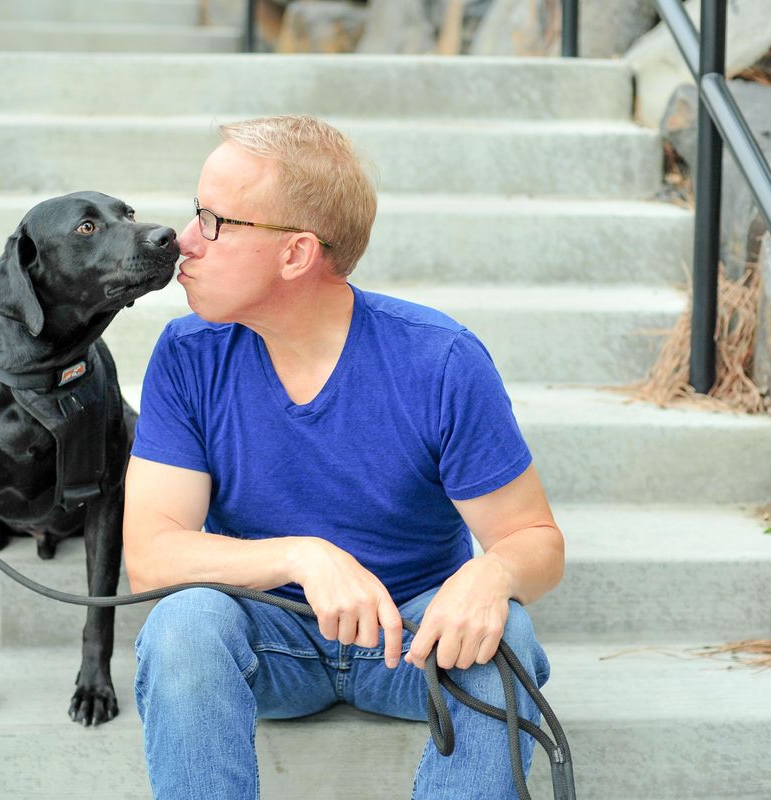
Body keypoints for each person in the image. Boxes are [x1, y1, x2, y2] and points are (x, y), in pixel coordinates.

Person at [122, 114, 565, 799]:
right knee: (183, 627)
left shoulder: (438, 361)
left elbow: (535, 540)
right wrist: (301, 555)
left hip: (409, 641)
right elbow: (152, 553)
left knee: (508, 645)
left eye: (214, 221)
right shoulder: (188, 354)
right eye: (193, 214)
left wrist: (493, 575)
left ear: (296, 254)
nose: (183, 243)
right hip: (268, 634)